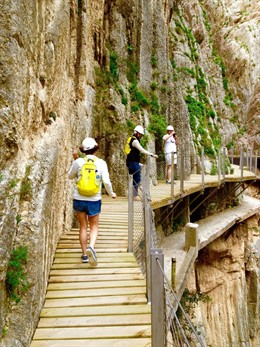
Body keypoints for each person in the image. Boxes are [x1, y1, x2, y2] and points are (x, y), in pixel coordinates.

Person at [68, 137, 116, 265]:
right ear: (95, 148)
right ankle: (91, 247)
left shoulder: (78, 161)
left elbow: (70, 176)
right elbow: (106, 181)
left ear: (83, 150)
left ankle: (84, 255)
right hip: (94, 199)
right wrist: (111, 193)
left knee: (83, 226)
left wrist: (76, 160)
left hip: (79, 198)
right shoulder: (101, 163)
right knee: (94, 225)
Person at [126, 125, 158, 200]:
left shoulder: (132, 139)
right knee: (136, 178)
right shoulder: (135, 141)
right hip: (133, 162)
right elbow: (142, 150)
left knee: (133, 177)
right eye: (140, 134)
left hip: (131, 161)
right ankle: (135, 195)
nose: (141, 136)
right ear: (136, 133)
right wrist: (152, 155)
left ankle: (133, 193)